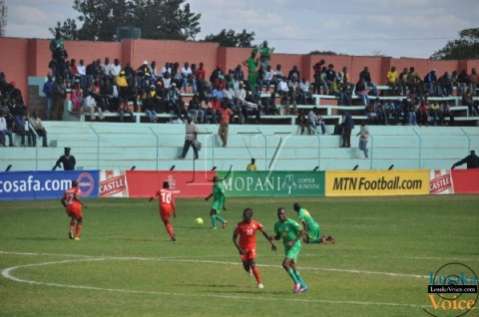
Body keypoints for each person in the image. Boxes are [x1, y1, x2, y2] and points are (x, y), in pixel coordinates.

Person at [233, 208, 276, 289]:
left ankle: (259, 282)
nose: (244, 218)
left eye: (246, 216)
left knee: (252, 263)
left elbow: (265, 233)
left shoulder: (256, 224)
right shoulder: (239, 225)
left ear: (250, 216)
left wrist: (272, 243)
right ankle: (249, 269)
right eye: (244, 216)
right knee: (246, 266)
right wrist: (239, 249)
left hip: (252, 247)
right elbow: (234, 238)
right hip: (242, 249)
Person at [274, 207, 308, 293]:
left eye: (282, 213)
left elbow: (302, 232)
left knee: (285, 264)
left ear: (285, 214)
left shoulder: (291, 222)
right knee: (292, 265)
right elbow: (278, 236)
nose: (281, 215)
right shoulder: (277, 224)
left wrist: (293, 241)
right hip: (287, 246)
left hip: (295, 245)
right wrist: (273, 238)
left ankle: (297, 283)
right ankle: (304, 286)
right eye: (279, 214)